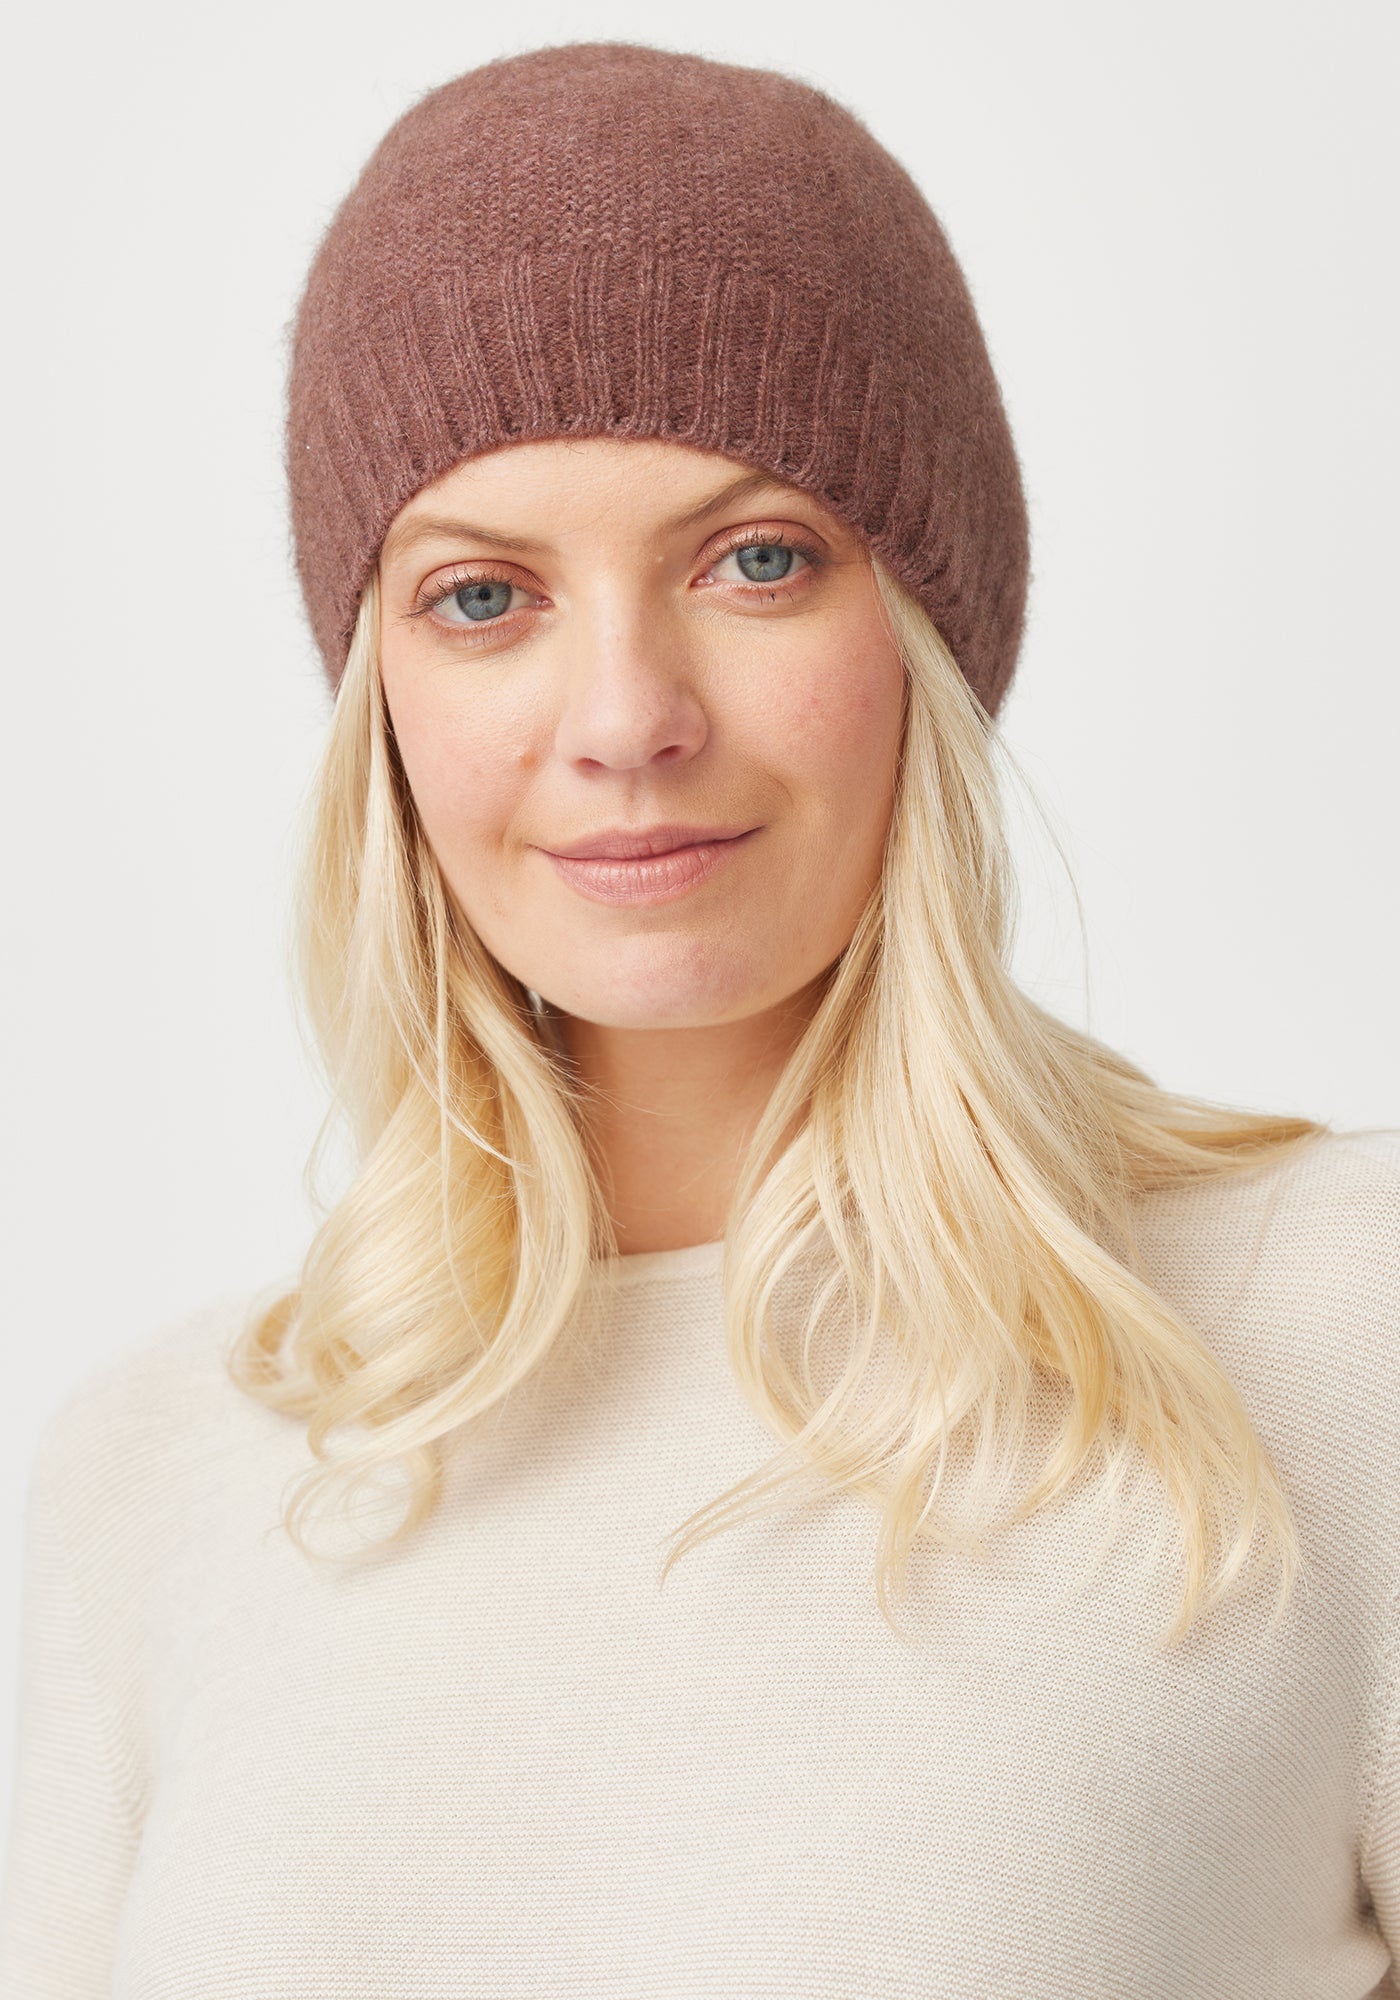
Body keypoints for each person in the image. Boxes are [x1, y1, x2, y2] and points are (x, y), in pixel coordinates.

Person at [1, 38, 1397, 1999]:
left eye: (756, 559)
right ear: (381, 698)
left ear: (927, 629)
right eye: (482, 597)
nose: (625, 717)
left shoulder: (1336, 1328)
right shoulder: (157, 1476)